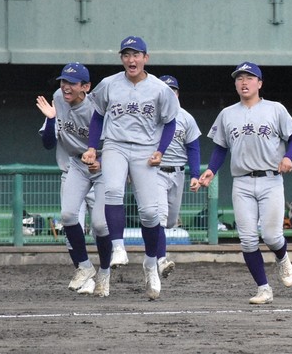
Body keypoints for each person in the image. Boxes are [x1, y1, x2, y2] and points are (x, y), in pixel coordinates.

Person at [82, 36, 180, 300]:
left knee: (150, 214)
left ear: (146, 58)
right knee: (113, 190)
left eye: (136, 54)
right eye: (126, 55)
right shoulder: (109, 84)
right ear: (121, 58)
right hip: (116, 144)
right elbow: (98, 115)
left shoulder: (160, 88)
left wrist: (161, 149)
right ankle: (117, 247)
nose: (131, 59)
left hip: (146, 150)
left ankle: (150, 264)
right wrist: (93, 146)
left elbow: (170, 122)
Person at [199, 61, 292, 305]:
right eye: (239, 78)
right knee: (247, 239)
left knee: (272, 236)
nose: (244, 82)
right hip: (242, 181)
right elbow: (220, 147)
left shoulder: (275, 109)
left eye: (249, 78)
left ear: (260, 83)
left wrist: (288, 157)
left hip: (270, 179)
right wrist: (211, 169)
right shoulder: (227, 114)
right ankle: (264, 288)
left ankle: (283, 258)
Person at [36, 62, 113, 297]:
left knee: (100, 225)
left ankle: (105, 273)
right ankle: (84, 267)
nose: (65, 86)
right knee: (68, 216)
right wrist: (50, 119)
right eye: (63, 81)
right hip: (77, 165)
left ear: (86, 87)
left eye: (72, 82)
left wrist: (105, 160)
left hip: (102, 165)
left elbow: (116, 142)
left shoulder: (96, 109)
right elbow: (48, 143)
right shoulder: (58, 97)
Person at [155, 75, 202, 279]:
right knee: (159, 216)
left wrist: (195, 174)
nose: (170, 94)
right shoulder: (151, 114)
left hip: (178, 172)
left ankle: (154, 252)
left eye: (173, 90)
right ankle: (160, 260)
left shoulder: (186, 117)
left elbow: (193, 148)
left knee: (170, 221)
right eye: (166, 90)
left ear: (177, 93)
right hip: (154, 171)